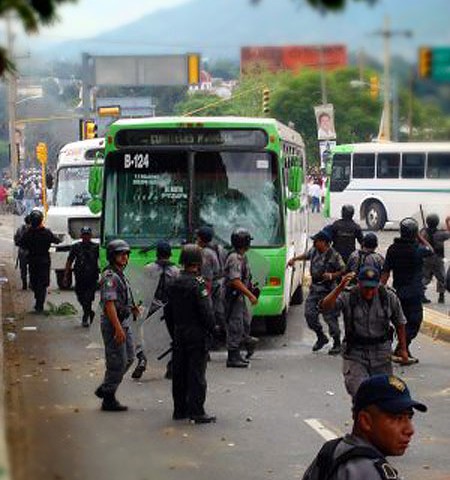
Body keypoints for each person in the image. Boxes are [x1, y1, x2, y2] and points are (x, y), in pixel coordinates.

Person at [302, 374, 427, 480]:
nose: (409, 430)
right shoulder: (369, 471)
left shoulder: (332, 449)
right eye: (398, 418)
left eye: (409, 418)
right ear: (365, 421)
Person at [321, 267, 408, 398]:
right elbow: (325, 307)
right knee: (361, 394)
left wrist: (403, 348)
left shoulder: (388, 297)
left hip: (381, 354)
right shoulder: (348, 295)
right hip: (356, 353)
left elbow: (400, 322)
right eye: (365, 288)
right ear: (359, 283)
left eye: (373, 288)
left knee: (382, 397)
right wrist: (339, 287)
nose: (369, 292)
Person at [165, 244, 216, 423]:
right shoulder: (199, 284)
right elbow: (206, 312)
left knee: (179, 373)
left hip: (179, 333)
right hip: (196, 334)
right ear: (198, 262)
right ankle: (197, 411)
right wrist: (213, 329)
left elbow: (168, 312)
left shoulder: (173, 283)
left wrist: (174, 332)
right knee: (196, 374)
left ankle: (179, 410)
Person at [381, 217, 433, 364]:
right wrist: (420, 236)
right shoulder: (417, 250)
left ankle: (404, 348)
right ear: (414, 233)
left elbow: (385, 272)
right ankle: (401, 347)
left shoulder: (393, 249)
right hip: (414, 292)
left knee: (400, 321)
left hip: (399, 291)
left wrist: (379, 290)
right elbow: (431, 250)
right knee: (415, 321)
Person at [94, 239, 138, 412]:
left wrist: (131, 309)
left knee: (129, 358)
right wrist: (118, 328)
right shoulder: (110, 277)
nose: (125, 257)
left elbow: (121, 299)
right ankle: (108, 397)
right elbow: (109, 304)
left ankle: (106, 388)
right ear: (113, 256)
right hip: (114, 323)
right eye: (121, 254)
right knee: (116, 361)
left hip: (123, 321)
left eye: (126, 254)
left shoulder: (120, 273)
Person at [288, 229, 345, 355]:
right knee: (309, 315)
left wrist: (331, 275)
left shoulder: (334, 255)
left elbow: (343, 270)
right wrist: (294, 259)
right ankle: (321, 337)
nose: (314, 243)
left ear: (324, 242)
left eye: (317, 241)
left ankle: (336, 343)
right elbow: (306, 255)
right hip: (315, 289)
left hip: (329, 291)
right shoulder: (314, 251)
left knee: (330, 317)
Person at [132, 240, 180, 380]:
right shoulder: (176, 271)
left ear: (157, 254)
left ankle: (142, 358)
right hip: (169, 308)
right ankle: (171, 366)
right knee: (172, 337)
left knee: (140, 334)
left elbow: (141, 288)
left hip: (151, 307)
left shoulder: (148, 268)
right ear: (170, 254)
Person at [224, 228, 259, 368]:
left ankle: (237, 353)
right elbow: (235, 281)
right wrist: (250, 295)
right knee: (235, 325)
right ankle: (232, 357)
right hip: (232, 296)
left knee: (243, 323)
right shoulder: (234, 258)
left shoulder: (242, 256)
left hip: (239, 296)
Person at [18, 209, 61, 312]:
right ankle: (39, 302)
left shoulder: (28, 233)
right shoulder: (46, 232)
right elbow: (57, 240)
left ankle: (39, 302)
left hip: (33, 260)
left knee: (35, 281)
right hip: (43, 261)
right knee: (42, 282)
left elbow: (20, 243)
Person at [64, 226, 100, 327]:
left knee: (88, 298)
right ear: (81, 236)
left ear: (91, 236)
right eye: (84, 235)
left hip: (92, 277)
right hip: (79, 277)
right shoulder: (76, 247)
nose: (86, 237)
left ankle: (85, 316)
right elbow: (69, 261)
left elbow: (102, 260)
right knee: (80, 297)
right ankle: (90, 312)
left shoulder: (96, 247)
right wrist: (66, 275)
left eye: (87, 235)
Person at [196, 225, 226, 344]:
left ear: (201, 239)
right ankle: (222, 335)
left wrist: (204, 295)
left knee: (209, 311)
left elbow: (206, 278)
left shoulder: (205, 254)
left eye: (197, 237)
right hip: (220, 282)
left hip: (212, 285)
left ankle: (214, 338)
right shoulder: (219, 248)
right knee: (220, 310)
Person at [420, 213, 450, 304]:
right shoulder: (440, 234)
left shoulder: (423, 232)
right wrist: (447, 222)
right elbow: (449, 233)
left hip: (425, 258)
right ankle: (441, 296)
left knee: (425, 277)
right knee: (441, 277)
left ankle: (421, 293)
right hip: (438, 258)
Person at [13, 214, 31, 290]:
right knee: (32, 268)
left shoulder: (20, 229)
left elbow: (16, 240)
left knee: (23, 269)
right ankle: (31, 283)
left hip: (22, 252)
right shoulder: (35, 229)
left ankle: (24, 283)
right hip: (32, 252)